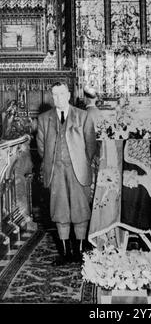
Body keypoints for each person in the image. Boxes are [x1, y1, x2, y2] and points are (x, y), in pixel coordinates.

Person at [36, 81, 97, 265]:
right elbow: (41, 148)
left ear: (69, 95)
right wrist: (52, 163)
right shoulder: (44, 119)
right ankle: (64, 253)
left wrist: (81, 163)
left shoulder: (83, 116)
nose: (58, 98)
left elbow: (91, 145)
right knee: (60, 211)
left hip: (78, 171)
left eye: (61, 94)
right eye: (54, 95)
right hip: (55, 172)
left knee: (80, 211)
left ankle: (78, 251)